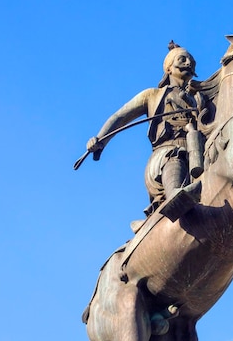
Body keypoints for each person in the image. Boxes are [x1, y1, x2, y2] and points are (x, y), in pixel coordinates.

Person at [86, 44, 207, 221]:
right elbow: (120, 117)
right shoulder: (152, 95)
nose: (189, 63)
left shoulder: (199, 99)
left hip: (197, 154)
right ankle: (175, 195)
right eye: (183, 59)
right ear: (168, 67)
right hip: (164, 155)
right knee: (174, 156)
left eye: (192, 61)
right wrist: (100, 139)